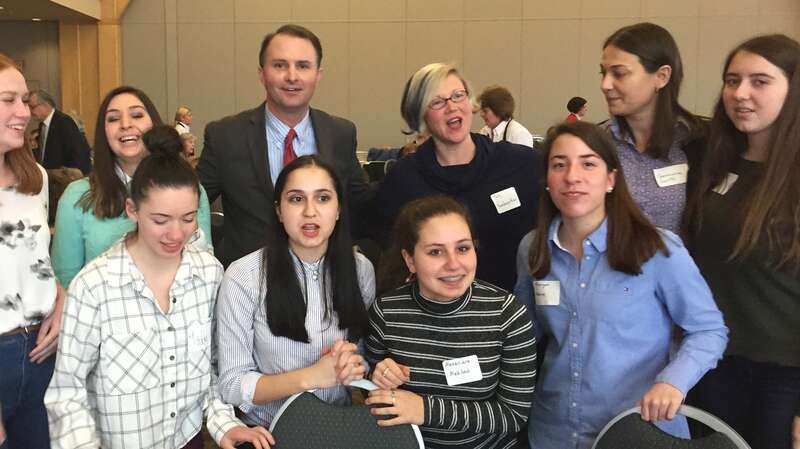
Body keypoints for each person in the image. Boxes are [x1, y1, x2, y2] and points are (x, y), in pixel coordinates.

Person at [45, 135, 273, 449]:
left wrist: (223, 423)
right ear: (132, 210)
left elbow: (213, 367)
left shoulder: (209, 274)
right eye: (161, 220)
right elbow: (68, 393)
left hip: (188, 439)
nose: (176, 234)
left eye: (188, 219)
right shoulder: (94, 286)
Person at [514, 121, 728, 449]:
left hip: (638, 432)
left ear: (611, 179)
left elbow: (709, 330)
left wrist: (673, 382)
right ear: (547, 181)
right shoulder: (534, 248)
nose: (572, 176)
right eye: (559, 165)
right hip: (552, 432)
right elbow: (522, 336)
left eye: (588, 163)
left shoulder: (656, 249)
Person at [684, 34, 800, 449]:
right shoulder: (711, 161)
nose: (740, 94)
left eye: (760, 82)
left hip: (785, 376)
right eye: (732, 80)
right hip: (715, 362)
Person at [364, 195, 536, 448]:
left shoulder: (506, 314)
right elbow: (374, 395)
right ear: (410, 259)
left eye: (463, 248)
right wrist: (379, 377)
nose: (454, 264)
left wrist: (425, 409)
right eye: (436, 252)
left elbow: (513, 415)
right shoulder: (386, 312)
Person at [216, 155, 374, 429]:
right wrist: (311, 376)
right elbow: (231, 385)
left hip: (339, 425)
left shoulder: (360, 269)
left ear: (338, 209)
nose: (310, 212)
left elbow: (364, 353)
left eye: (323, 198)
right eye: (296, 199)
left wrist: (356, 364)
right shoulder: (243, 276)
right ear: (278, 210)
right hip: (269, 432)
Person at [198, 24, 372, 267]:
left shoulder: (340, 133)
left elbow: (361, 206)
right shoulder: (225, 136)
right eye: (280, 65)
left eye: (303, 66)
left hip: (323, 278)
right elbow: (190, 203)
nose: (292, 76)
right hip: (249, 284)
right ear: (262, 74)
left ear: (318, 75)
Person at [377, 63, 542, 291]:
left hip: (511, 315)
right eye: (438, 102)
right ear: (420, 114)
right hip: (436, 317)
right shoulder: (403, 180)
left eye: (458, 96)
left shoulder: (521, 164)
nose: (452, 107)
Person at [51, 88, 212, 288]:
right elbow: (66, 282)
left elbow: (203, 266)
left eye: (136, 115)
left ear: (154, 122)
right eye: (113, 119)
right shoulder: (77, 196)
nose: (126, 125)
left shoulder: (190, 189)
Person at [0, 52, 65, 449]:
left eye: (25, 100)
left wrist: (60, 298)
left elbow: (31, 260)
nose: (24, 111)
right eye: (9, 100)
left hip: (40, 353)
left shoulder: (34, 178)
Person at [599, 22, 705, 234]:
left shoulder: (699, 142)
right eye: (603, 73)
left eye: (619, 73)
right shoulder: (597, 144)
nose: (605, 85)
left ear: (662, 76)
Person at [28, 89, 92, 174]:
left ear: (45, 105)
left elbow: (78, 152)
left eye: (32, 107)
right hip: (50, 178)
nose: (30, 112)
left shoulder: (64, 122)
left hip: (64, 179)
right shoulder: (42, 125)